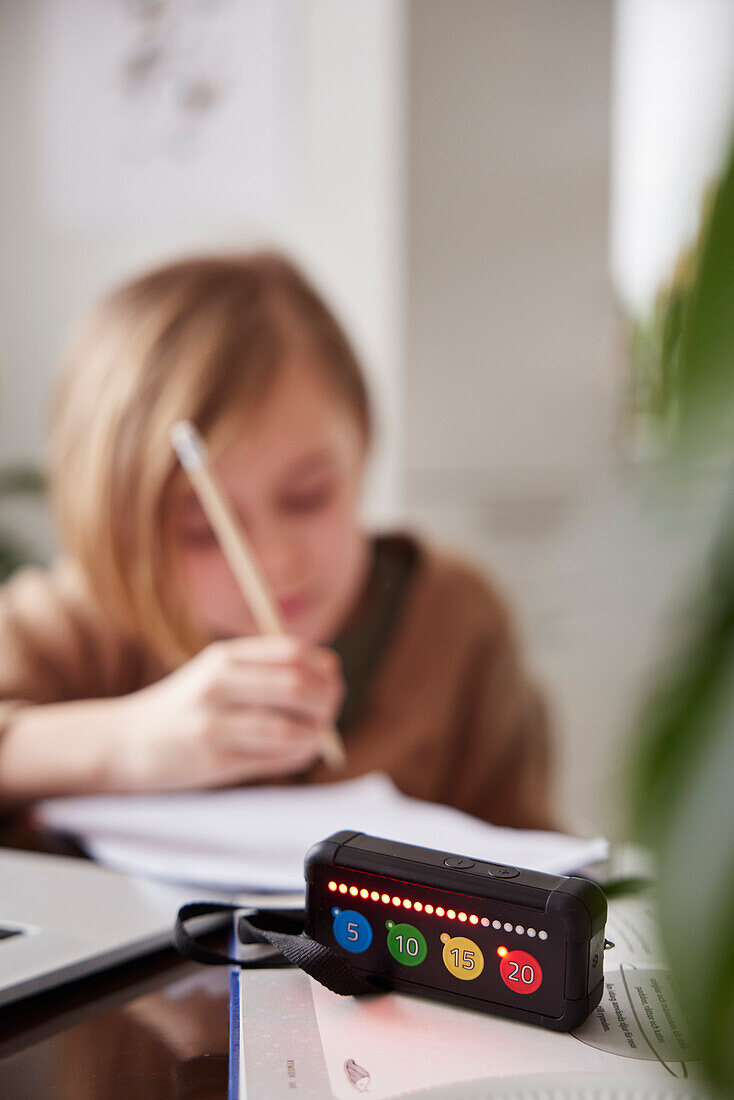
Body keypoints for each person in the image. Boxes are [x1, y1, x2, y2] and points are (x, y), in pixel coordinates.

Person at [0, 253, 554, 828]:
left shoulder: (456, 622)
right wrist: (126, 745)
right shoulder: (87, 617)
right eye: (202, 532)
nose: (274, 562)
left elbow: (537, 863)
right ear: (120, 528)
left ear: (362, 443)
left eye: (307, 496)